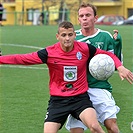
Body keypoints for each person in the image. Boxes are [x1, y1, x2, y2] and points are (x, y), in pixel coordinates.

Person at [0, 21, 133, 133]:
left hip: (80, 99)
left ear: (75, 35)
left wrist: (120, 67)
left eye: (70, 35)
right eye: (64, 35)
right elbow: (22, 58)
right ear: (58, 36)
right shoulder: (49, 52)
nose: (67, 38)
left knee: (95, 127)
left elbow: (107, 54)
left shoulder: (84, 48)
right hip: (58, 101)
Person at [65, 2, 123, 133]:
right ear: (78, 19)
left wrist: (117, 45)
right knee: (76, 130)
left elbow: (116, 64)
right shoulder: (72, 38)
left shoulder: (105, 36)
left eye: (88, 15)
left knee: (112, 126)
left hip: (99, 88)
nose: (84, 18)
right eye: (82, 16)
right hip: (78, 90)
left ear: (95, 18)